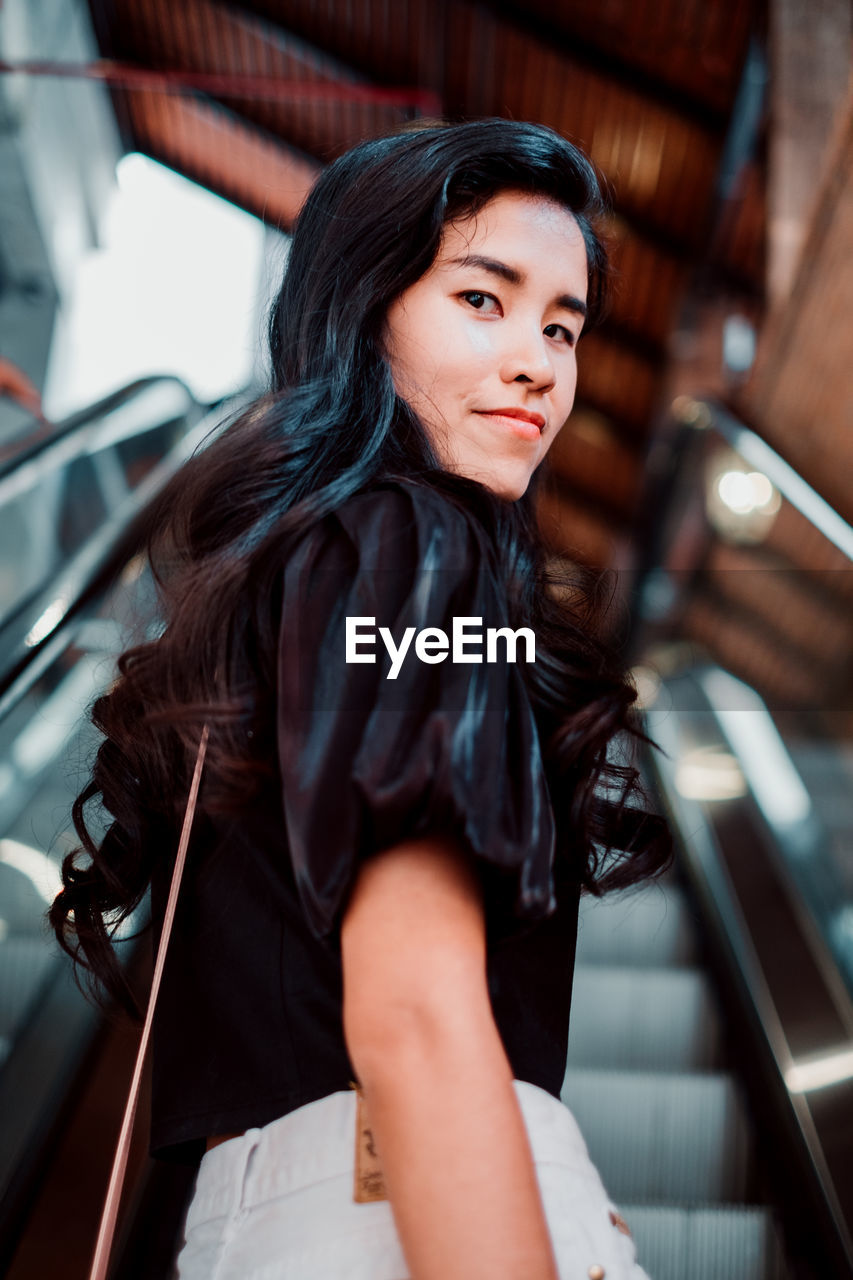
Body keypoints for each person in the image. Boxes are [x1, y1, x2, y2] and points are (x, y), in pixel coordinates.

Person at [50, 118, 672, 1279]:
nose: (539, 360)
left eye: (561, 324)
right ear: (363, 310)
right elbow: (416, 1011)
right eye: (482, 300)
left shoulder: (308, 576)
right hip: (398, 1200)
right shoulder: (411, 542)